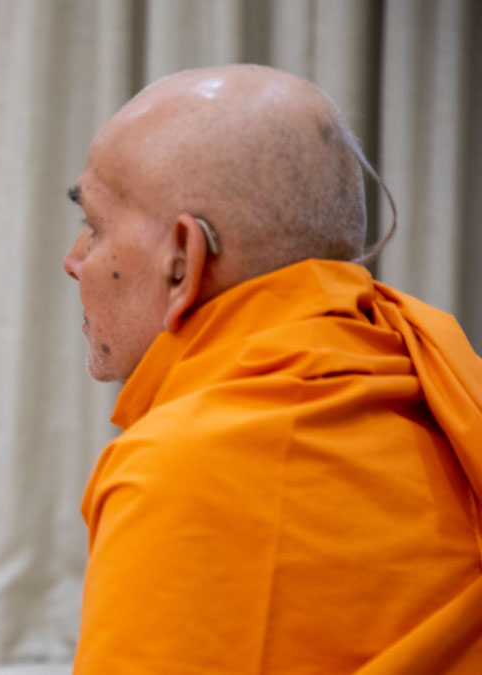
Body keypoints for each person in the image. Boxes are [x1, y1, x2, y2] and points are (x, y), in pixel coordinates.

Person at [64, 64, 482, 673]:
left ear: (183, 262)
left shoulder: (178, 473)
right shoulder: (445, 377)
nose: (74, 261)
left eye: (93, 227)